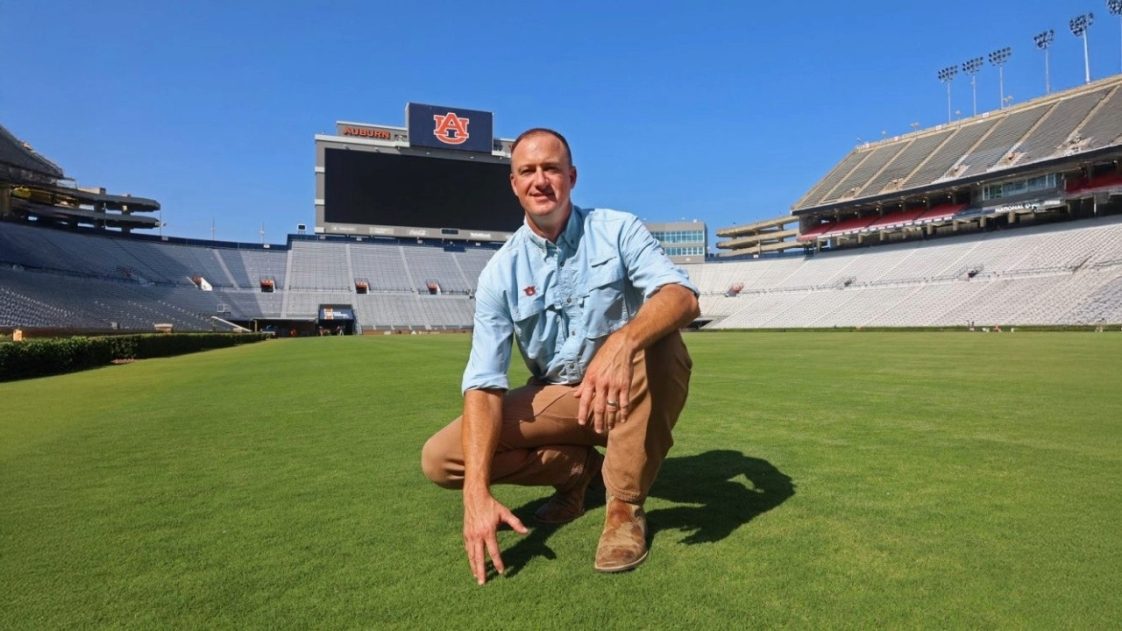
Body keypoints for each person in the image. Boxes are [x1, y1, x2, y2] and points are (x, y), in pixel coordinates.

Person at [421, 128, 699, 584]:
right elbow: (484, 383)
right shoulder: (500, 273)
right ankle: (577, 471)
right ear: (514, 185)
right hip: (562, 398)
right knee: (442, 458)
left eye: (551, 168)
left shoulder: (617, 229)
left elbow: (682, 297)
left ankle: (624, 506)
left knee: (662, 339)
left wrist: (622, 342)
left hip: (627, 394)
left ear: (571, 176)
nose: (540, 180)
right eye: (527, 171)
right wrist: (476, 494)